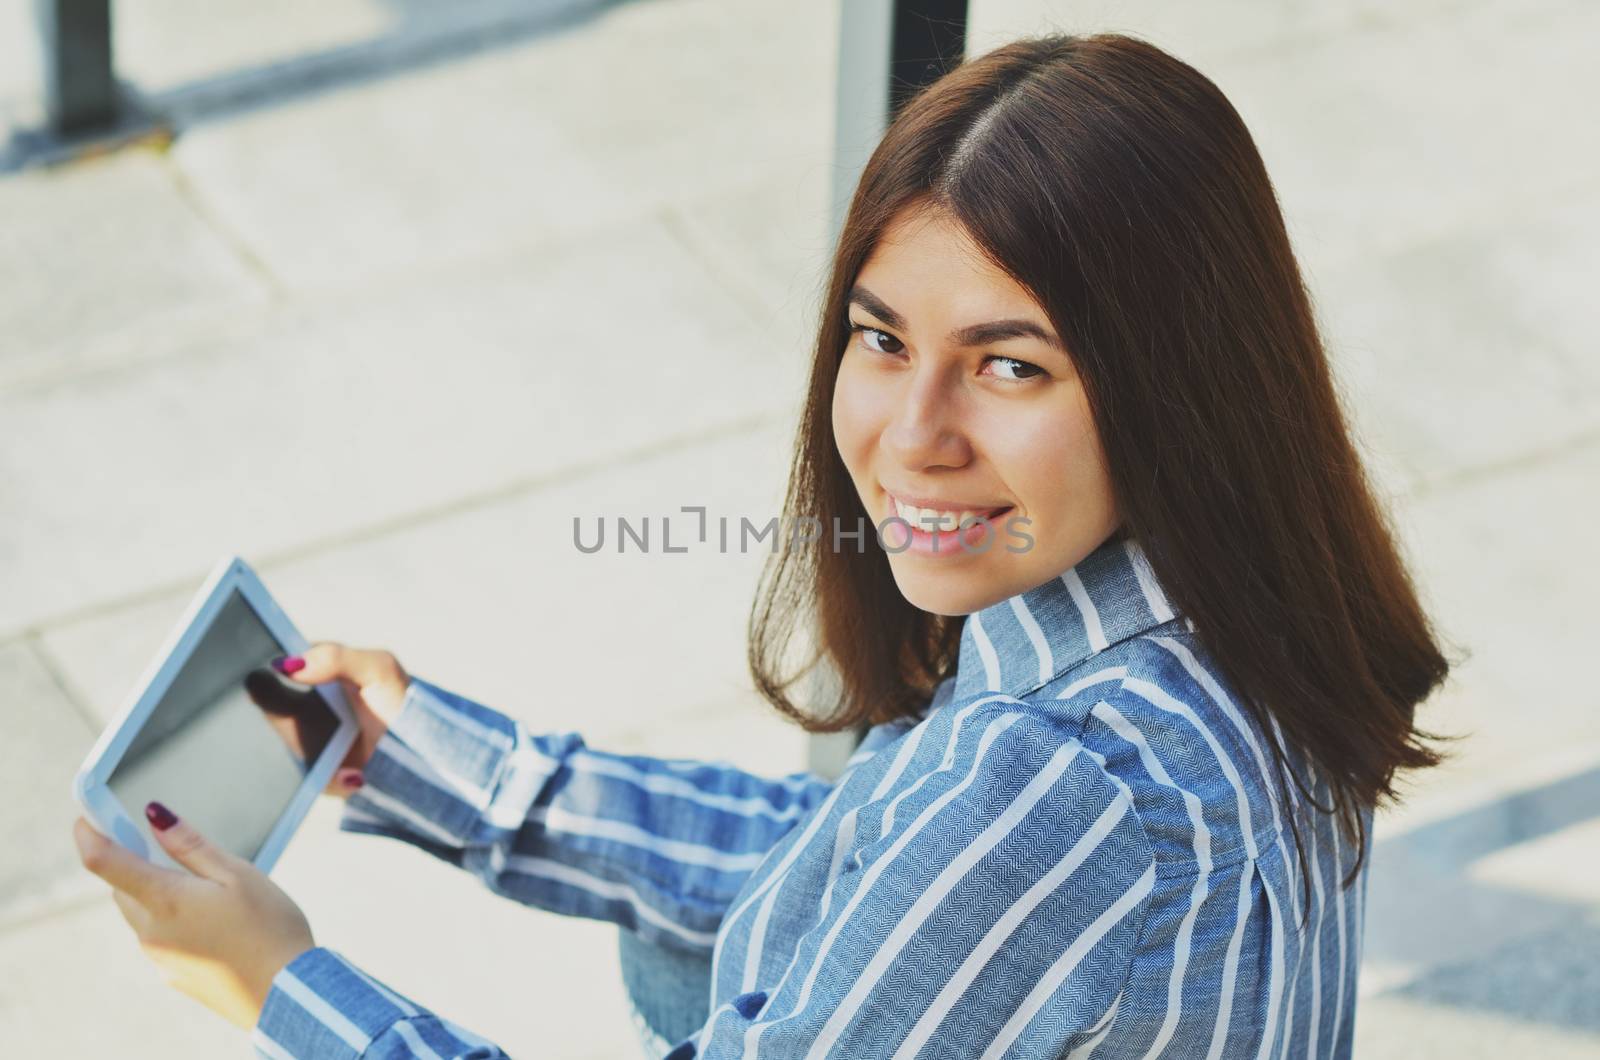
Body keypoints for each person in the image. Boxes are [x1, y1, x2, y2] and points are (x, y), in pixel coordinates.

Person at [71, 31, 1453, 1059]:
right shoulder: (1254, 602)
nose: (915, 433)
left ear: (1174, 382)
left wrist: (282, 989)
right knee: (691, 949)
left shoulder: (1052, 787)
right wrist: (442, 768)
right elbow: (863, 855)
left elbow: (964, 856)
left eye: (1011, 367)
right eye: (882, 338)